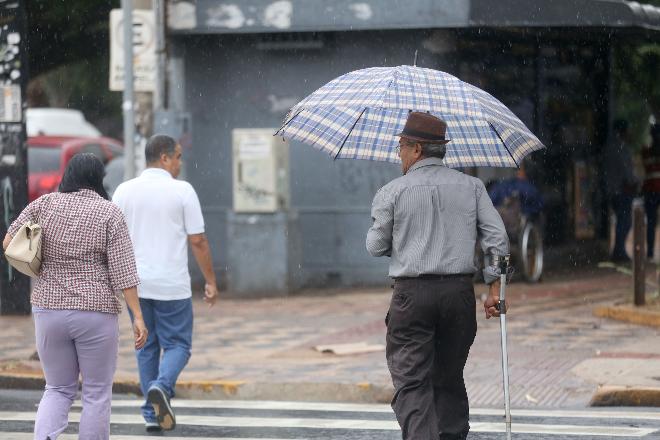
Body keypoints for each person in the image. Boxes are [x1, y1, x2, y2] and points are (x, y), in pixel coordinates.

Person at [366, 112, 509, 440]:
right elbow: (497, 239)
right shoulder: (472, 187)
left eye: (401, 146)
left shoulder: (392, 192)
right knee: (448, 377)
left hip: (412, 297)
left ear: (416, 149)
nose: (398, 153)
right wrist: (495, 291)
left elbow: (375, 246)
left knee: (413, 383)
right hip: (459, 295)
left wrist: (389, 228)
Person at [2, 153, 147, 440]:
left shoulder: (44, 204)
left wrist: (40, 264)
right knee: (95, 392)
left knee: (57, 388)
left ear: (68, 176)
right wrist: (138, 316)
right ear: (98, 179)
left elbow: (9, 240)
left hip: (48, 309)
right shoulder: (109, 212)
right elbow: (123, 270)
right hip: (95, 311)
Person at [112, 134, 219, 432]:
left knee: (145, 347)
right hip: (172, 284)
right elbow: (198, 240)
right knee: (179, 345)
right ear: (164, 158)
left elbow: (112, 238)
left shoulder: (124, 191)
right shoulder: (182, 191)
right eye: (178, 157)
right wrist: (210, 280)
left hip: (135, 286)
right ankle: (161, 386)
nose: (180, 163)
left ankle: (152, 413)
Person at [604, 119, 638, 262]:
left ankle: (619, 250)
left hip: (613, 190)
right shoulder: (621, 148)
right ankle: (619, 250)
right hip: (622, 190)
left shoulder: (610, 147)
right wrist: (634, 182)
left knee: (622, 220)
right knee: (624, 221)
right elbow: (627, 172)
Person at [642, 123, 660, 260]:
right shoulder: (647, 151)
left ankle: (650, 252)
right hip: (652, 192)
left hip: (650, 192)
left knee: (651, 223)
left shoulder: (646, 151)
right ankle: (649, 252)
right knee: (651, 222)